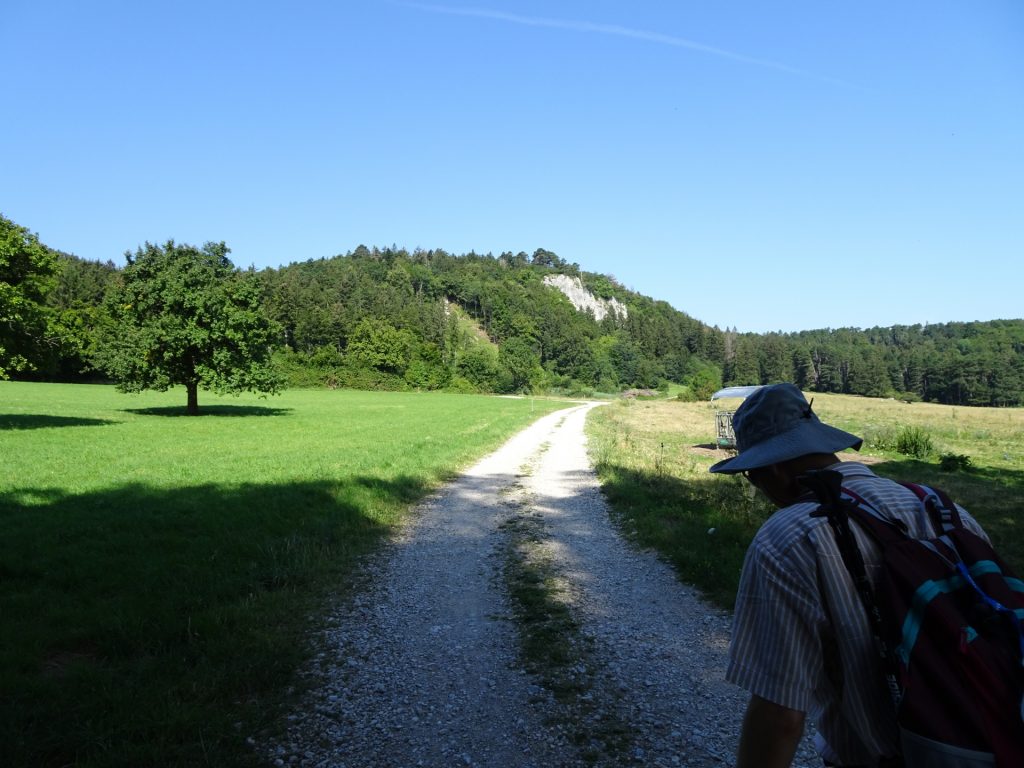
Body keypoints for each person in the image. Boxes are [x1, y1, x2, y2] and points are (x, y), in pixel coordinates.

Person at [708, 383, 987, 768]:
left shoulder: (787, 539)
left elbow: (781, 715)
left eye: (750, 477)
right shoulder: (941, 508)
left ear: (771, 467)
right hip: (995, 742)